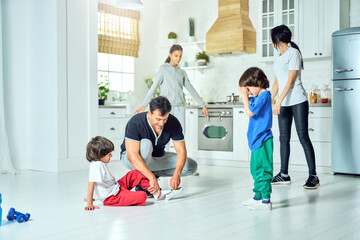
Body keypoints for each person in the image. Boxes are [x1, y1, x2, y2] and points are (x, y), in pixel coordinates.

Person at [270, 24, 320, 189]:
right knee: (283, 139)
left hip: (298, 101)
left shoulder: (293, 53)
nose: (270, 41)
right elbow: (277, 81)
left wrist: (278, 101)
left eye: (272, 38)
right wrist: (269, 99)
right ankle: (284, 174)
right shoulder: (278, 56)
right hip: (284, 103)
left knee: (303, 137)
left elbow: (291, 82)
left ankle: (313, 176)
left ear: (277, 39)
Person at [121, 96, 197, 198]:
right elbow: (132, 155)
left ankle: (149, 174)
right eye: (158, 119)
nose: (161, 123)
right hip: (131, 159)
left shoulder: (173, 122)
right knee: (146, 144)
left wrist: (177, 175)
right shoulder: (136, 122)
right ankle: (143, 182)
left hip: (156, 158)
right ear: (149, 113)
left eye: (164, 119)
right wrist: (151, 178)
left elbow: (181, 151)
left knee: (190, 166)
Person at [134, 44, 209, 128]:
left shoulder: (182, 72)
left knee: (180, 134)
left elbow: (191, 89)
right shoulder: (163, 69)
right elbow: (153, 87)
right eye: (176, 56)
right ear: (170, 55)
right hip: (166, 108)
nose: (178, 58)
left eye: (180, 56)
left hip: (180, 108)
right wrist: (144, 105)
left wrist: (202, 105)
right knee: (165, 136)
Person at [84, 136, 155, 210]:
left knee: (135, 173)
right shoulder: (97, 166)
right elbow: (91, 184)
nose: (111, 156)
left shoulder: (99, 163)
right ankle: (152, 192)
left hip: (116, 188)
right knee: (142, 196)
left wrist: (90, 198)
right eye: (109, 154)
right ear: (100, 155)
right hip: (112, 197)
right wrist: (89, 203)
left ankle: (152, 189)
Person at [238, 67, 274, 211]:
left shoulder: (264, 95)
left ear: (258, 82)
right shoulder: (258, 97)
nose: (248, 92)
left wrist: (245, 97)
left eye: (249, 88)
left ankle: (266, 200)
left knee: (262, 170)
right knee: (255, 169)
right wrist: (248, 95)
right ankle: (257, 197)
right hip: (256, 140)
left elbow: (250, 112)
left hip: (262, 139)